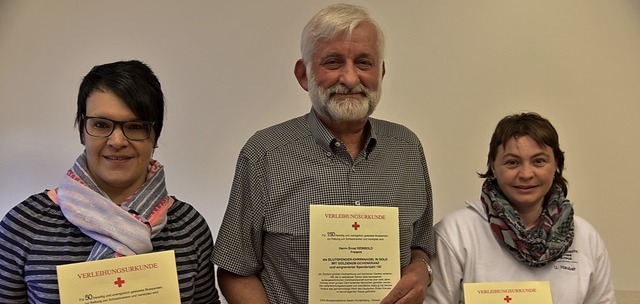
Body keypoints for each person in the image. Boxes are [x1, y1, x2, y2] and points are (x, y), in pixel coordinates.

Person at [213, 3, 435, 304]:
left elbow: (420, 246)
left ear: (381, 72)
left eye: (364, 63)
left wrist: (421, 271)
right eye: (333, 62)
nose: (350, 78)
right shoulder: (264, 154)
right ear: (304, 75)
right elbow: (234, 268)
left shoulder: (408, 148)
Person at [0, 60, 220, 303]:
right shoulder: (24, 225)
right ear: (82, 131)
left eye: (135, 126)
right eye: (101, 124)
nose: (117, 140)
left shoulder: (189, 227)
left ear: (155, 136)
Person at [426, 112, 616, 303]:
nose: (526, 173)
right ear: (493, 166)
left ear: (556, 164)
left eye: (538, 161)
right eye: (512, 162)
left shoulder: (586, 237)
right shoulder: (455, 233)